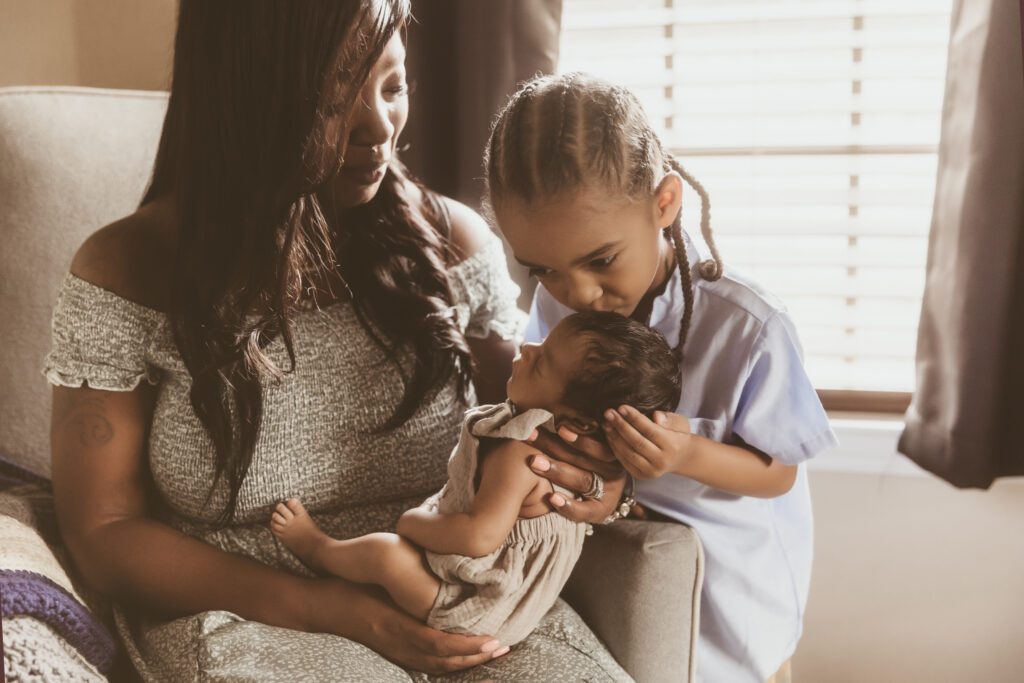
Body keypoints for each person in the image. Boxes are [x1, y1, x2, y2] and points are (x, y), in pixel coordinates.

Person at [42, 3, 629, 680]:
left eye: (392, 85)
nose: (379, 125)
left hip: (465, 603)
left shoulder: (453, 244)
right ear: (248, 98)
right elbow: (104, 532)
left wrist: (598, 478)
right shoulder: (129, 270)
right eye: (334, 96)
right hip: (251, 614)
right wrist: (335, 605)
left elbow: (539, 422)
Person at [483, 72, 838, 682]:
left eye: (601, 261)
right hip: (620, 568)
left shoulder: (749, 329)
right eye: (542, 269)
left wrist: (686, 453)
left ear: (664, 202)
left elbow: (779, 473)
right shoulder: (561, 306)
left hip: (733, 587)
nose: (579, 295)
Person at [270, 311, 682, 647]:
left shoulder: (521, 453)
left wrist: (412, 523)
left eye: (541, 361)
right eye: (541, 342)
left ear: (579, 422)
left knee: (385, 553)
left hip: (474, 609)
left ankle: (319, 550)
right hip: (504, 603)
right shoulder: (575, 445)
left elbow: (478, 538)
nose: (527, 347)